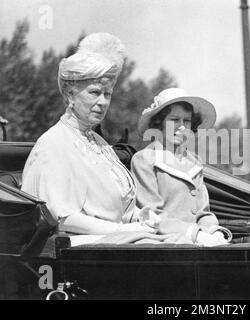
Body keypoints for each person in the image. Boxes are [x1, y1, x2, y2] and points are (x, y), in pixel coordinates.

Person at [22, 33, 161, 245]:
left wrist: (142, 218)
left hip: (116, 243)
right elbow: (62, 217)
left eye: (108, 94)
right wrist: (122, 231)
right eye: (94, 92)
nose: (103, 102)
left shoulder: (99, 143)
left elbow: (118, 205)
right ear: (70, 94)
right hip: (76, 250)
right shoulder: (53, 144)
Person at [131, 88, 232, 246]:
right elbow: (151, 215)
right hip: (161, 244)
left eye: (186, 121)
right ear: (159, 123)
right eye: (174, 120)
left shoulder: (194, 162)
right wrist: (195, 234)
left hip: (196, 243)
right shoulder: (144, 159)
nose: (181, 127)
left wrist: (214, 231)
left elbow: (202, 213)